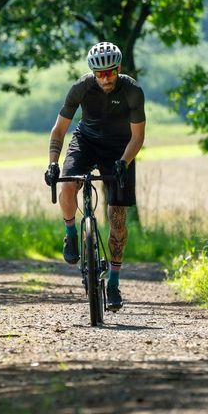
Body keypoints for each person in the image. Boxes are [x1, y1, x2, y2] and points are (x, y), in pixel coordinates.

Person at [44, 41, 145, 311]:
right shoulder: (81, 87)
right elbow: (59, 130)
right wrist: (53, 163)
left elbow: (138, 137)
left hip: (120, 149)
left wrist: (124, 162)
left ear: (118, 68)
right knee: (67, 184)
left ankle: (113, 282)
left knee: (118, 219)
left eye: (110, 72)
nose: (105, 78)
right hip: (86, 141)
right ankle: (70, 232)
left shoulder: (132, 91)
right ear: (92, 72)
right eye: (99, 73)